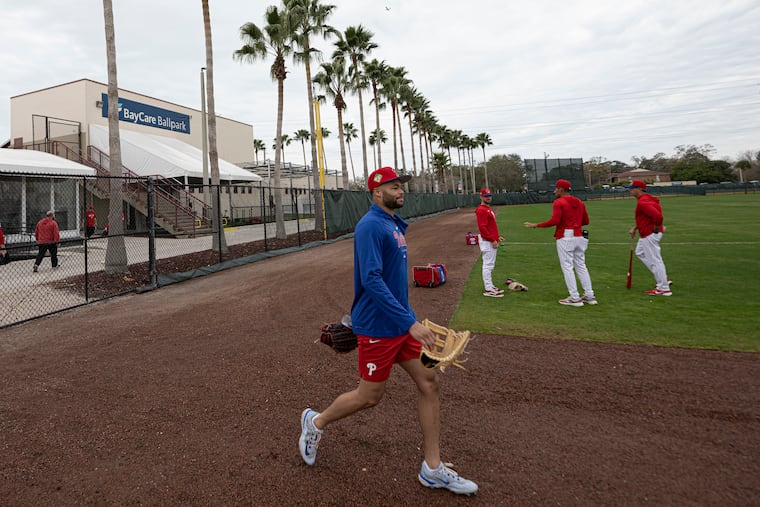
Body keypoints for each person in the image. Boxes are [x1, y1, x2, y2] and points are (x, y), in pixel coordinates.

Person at [298, 166, 478, 496]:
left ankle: (433, 468)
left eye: (401, 186)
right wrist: (408, 322)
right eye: (394, 187)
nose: (401, 191)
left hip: (399, 324)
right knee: (370, 397)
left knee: (429, 382)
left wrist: (411, 320)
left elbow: (395, 285)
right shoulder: (370, 226)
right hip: (379, 328)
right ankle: (316, 422)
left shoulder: (393, 224)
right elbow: (371, 280)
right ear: (377, 192)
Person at [523, 179, 597, 306]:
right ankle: (589, 295)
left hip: (566, 236)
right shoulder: (579, 202)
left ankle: (574, 298)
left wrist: (536, 225)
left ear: (561, 190)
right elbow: (586, 221)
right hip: (579, 235)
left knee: (567, 267)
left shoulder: (559, 202)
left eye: (556, 188)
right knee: (581, 265)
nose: (554, 191)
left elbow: (554, 221)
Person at [626, 179, 672, 296]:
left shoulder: (643, 202)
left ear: (640, 189)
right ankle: (662, 278)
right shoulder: (647, 199)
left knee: (655, 260)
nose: (630, 191)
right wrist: (635, 227)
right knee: (640, 252)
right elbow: (647, 217)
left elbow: (658, 216)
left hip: (649, 234)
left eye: (632, 188)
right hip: (647, 233)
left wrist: (656, 228)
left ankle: (663, 288)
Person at [475, 187, 505, 298]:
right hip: (487, 241)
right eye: (486, 196)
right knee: (488, 265)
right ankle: (488, 289)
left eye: (489, 196)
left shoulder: (487, 208)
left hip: (490, 239)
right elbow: (482, 227)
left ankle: (490, 286)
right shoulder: (481, 210)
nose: (488, 198)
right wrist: (492, 239)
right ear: (481, 196)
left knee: (489, 265)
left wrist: (497, 237)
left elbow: (490, 226)